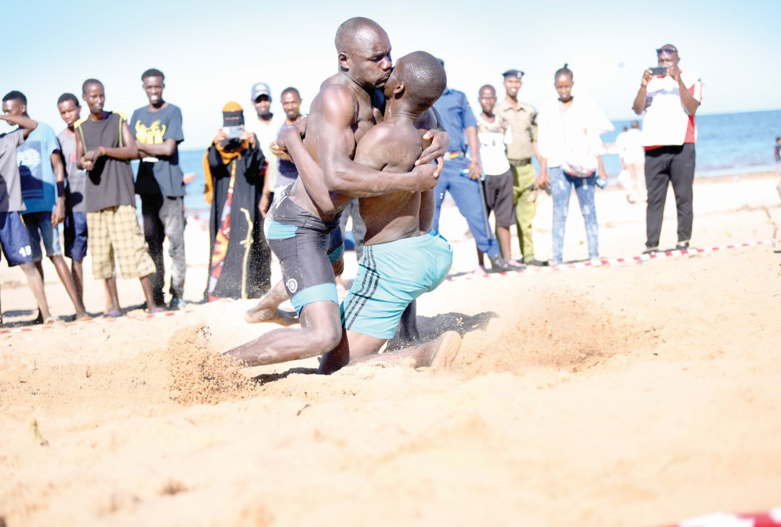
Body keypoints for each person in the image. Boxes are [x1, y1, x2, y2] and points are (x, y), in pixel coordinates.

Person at [228, 17, 447, 368]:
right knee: (322, 335)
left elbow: (425, 109)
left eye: (389, 54)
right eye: (377, 57)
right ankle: (215, 367)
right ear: (345, 60)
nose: (388, 64)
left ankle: (267, 306)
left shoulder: (382, 86)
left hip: (330, 224)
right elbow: (335, 180)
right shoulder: (336, 97)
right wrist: (411, 182)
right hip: (299, 223)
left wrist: (441, 137)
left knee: (334, 266)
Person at [74, 78, 160, 316]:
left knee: (134, 249)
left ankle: (151, 304)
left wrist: (103, 150)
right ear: (85, 98)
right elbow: (79, 159)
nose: (99, 101)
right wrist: (86, 162)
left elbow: (134, 150)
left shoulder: (118, 119)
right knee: (102, 255)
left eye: (101, 96)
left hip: (121, 195)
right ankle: (116, 306)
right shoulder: (80, 127)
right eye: (93, 97)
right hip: (95, 199)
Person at [2, 91, 87, 321]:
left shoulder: (45, 130)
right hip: (23, 208)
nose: (6, 114)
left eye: (8, 110)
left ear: (22, 108)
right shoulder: (11, 138)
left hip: (46, 203)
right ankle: (44, 313)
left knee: (55, 254)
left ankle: (79, 310)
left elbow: (58, 167)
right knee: (35, 258)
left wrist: (60, 201)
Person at [432, 60, 515, 274]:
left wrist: (475, 160)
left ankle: (495, 257)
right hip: (433, 166)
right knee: (430, 217)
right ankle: (430, 266)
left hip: (460, 162)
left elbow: (471, 127)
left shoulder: (458, 97)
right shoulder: (423, 97)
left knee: (477, 213)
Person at [536, 64, 612, 265]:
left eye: (567, 86)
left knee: (588, 210)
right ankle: (557, 257)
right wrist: (542, 172)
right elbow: (543, 141)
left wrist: (601, 168)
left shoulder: (585, 105)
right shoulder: (547, 108)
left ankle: (594, 254)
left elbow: (595, 137)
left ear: (572, 84)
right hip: (557, 165)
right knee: (559, 212)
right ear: (554, 86)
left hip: (584, 165)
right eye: (559, 87)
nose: (563, 90)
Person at [632, 44, 704, 253]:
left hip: (682, 145)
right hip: (653, 146)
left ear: (678, 60)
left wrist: (678, 81)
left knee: (683, 196)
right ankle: (651, 244)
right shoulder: (651, 83)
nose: (665, 65)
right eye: (661, 62)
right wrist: (643, 86)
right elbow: (637, 109)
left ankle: (683, 241)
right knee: (654, 198)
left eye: (669, 61)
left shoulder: (691, 78)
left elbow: (691, 107)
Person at [130, 68, 187, 310]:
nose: (153, 91)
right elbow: (130, 149)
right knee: (152, 245)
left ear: (163, 86)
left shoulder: (173, 111)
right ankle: (156, 296)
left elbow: (168, 149)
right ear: (143, 87)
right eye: (149, 87)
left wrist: (142, 146)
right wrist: (151, 147)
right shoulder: (137, 114)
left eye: (157, 86)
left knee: (175, 244)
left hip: (171, 189)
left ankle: (178, 294)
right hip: (146, 188)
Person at [202, 102, 268, 301]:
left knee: (246, 240)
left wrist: (253, 144)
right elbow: (213, 165)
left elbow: (254, 169)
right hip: (224, 205)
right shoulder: (217, 145)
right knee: (222, 243)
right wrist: (215, 143)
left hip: (245, 202)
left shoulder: (249, 144)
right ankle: (221, 289)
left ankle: (248, 288)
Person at [0, 113, 55, 323]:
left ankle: (47, 314)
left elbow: (32, 124)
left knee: (28, 265)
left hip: (11, 212)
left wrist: (2, 115)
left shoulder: (7, 139)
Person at [494, 69, 546, 267]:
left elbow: (536, 141)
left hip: (527, 169)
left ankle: (529, 256)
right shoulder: (498, 111)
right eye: (510, 82)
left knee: (526, 217)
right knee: (503, 217)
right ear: (504, 84)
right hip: (506, 170)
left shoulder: (529, 111)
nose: (514, 85)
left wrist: (543, 170)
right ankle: (503, 259)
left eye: (517, 82)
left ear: (520, 84)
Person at [56, 93, 91, 308]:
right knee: (76, 257)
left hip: (97, 203)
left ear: (80, 107)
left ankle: (109, 302)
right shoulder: (59, 139)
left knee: (105, 254)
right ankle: (80, 306)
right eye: (63, 112)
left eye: (71, 110)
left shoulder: (92, 131)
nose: (68, 115)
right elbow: (58, 173)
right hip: (74, 206)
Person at [475, 85, 516, 267]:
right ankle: (482, 264)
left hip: (503, 174)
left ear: (495, 99)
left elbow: (506, 147)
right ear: (479, 99)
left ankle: (507, 260)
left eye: (491, 98)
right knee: (482, 222)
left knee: (504, 220)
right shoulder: (473, 123)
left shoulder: (504, 123)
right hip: (483, 177)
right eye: (484, 98)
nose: (488, 102)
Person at [245, 82, 280, 218]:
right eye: (259, 100)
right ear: (253, 102)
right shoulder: (248, 125)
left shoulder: (281, 121)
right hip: (258, 176)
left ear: (270, 100)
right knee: (260, 216)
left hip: (278, 175)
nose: (263, 104)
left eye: (265, 99)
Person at [615, 121, 646, 204]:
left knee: (633, 178)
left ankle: (631, 193)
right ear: (638, 126)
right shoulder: (640, 134)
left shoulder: (626, 135)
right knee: (639, 178)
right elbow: (645, 145)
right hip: (638, 159)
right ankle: (642, 196)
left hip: (628, 159)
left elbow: (621, 148)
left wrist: (622, 160)